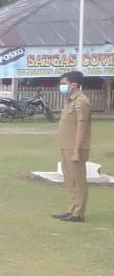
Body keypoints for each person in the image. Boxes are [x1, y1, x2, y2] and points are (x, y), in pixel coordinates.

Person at [52, 70, 92, 222]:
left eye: (64, 84)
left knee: (78, 181)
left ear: (74, 84)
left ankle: (78, 213)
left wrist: (76, 151)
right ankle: (72, 209)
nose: (61, 87)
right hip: (65, 146)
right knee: (70, 180)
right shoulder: (69, 100)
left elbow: (82, 128)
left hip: (75, 148)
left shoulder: (81, 101)